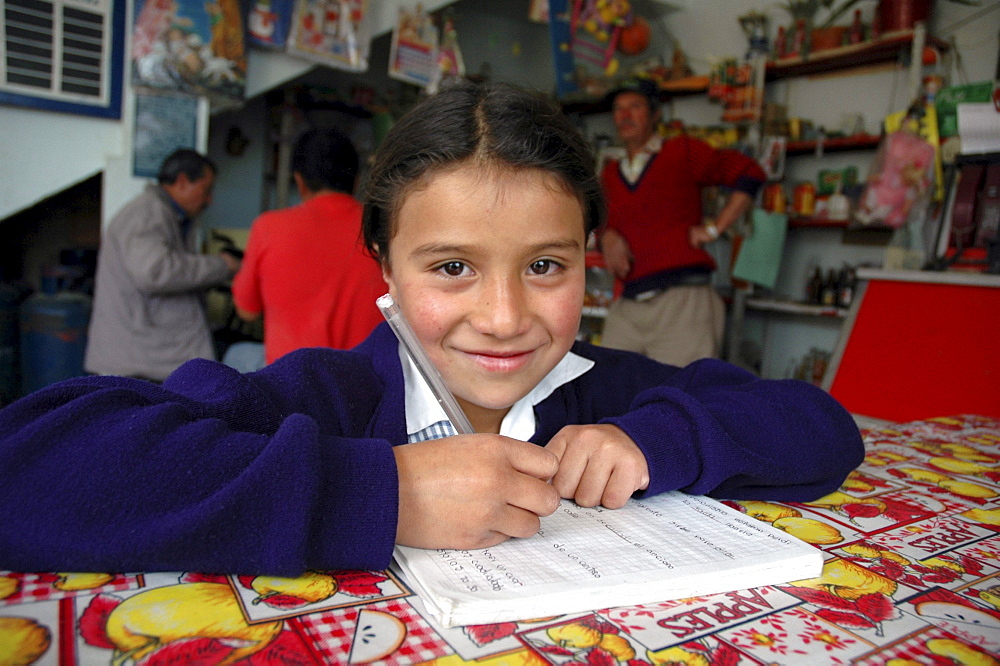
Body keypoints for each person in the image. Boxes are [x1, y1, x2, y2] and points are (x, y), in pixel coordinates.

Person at [0, 81, 863, 577]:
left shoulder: (614, 394)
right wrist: (384, 490)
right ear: (384, 262)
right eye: (452, 267)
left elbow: (822, 427)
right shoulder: (327, 395)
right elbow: (28, 465)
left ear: (589, 260)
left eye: (545, 266)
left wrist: (661, 441)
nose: (503, 318)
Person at [599, 78, 767, 366]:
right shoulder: (610, 174)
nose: (625, 115)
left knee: (681, 398)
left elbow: (750, 173)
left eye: (635, 106)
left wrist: (715, 228)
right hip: (628, 304)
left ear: (655, 114)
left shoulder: (682, 151)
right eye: (619, 109)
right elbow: (594, 221)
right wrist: (606, 236)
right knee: (609, 390)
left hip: (682, 300)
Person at [231, 128, 385, 365]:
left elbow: (246, 311)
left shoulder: (268, 227)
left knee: (235, 355)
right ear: (356, 181)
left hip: (291, 389)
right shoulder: (383, 228)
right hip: (369, 385)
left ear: (299, 181)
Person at [84, 149, 241, 381]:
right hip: (137, 365)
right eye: (206, 191)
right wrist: (222, 266)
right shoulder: (146, 214)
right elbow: (154, 272)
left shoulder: (170, 216)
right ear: (182, 182)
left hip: (149, 357)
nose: (209, 200)